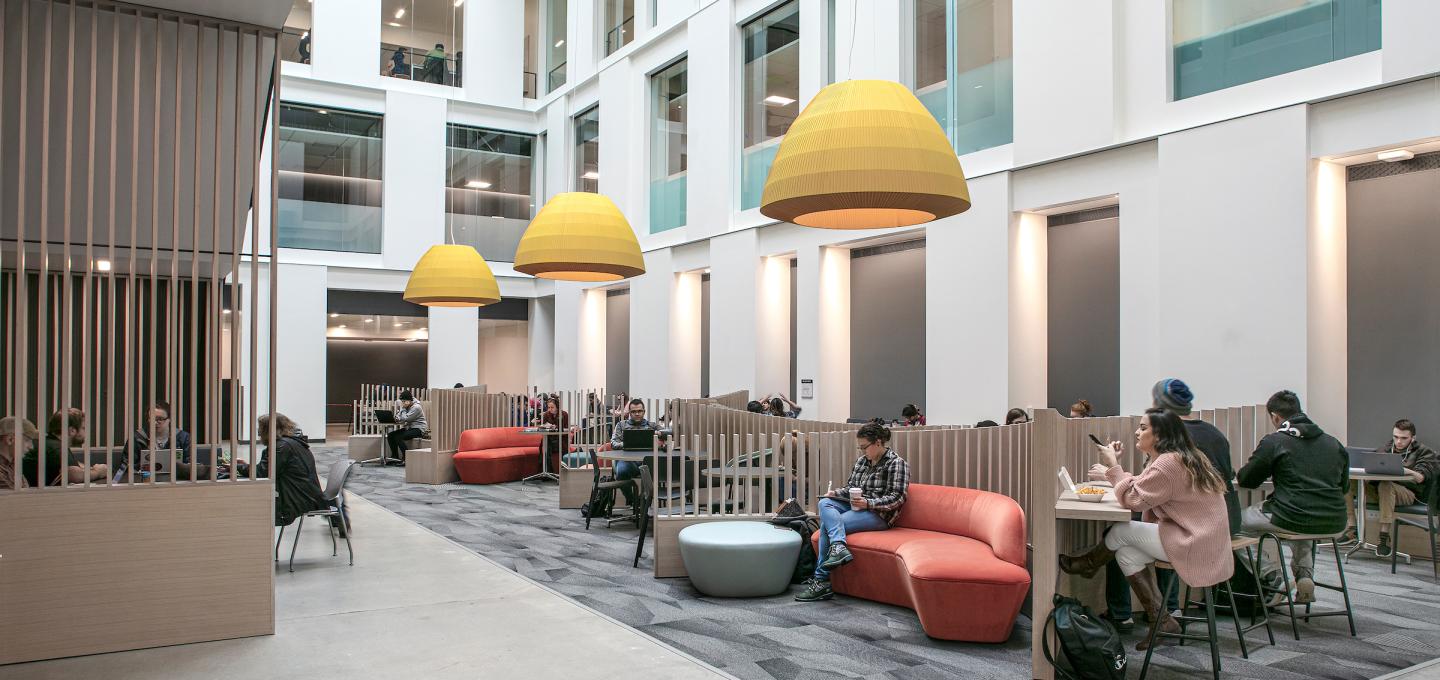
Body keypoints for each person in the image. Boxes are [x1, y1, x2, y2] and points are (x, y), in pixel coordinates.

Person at [1060, 409, 1232, 650]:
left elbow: (1133, 499)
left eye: (1143, 428)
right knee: (1125, 553)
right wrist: (1116, 468)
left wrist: (1112, 465)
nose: (1137, 432)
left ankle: (1088, 564)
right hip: (1204, 540)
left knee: (1120, 532)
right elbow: (1142, 486)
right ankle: (1161, 621)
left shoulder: (1168, 464)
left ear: (1160, 435)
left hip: (1195, 542)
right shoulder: (1176, 458)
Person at [1236, 390, 1349, 605]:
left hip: (1292, 515)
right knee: (1302, 523)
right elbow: (1343, 487)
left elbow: (1247, 479)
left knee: (1234, 525)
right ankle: (1304, 577)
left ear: (1275, 417)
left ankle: (1272, 576)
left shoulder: (1276, 441)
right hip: (1335, 520)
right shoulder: (1333, 443)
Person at [796, 422, 909, 602]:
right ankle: (838, 547)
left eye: (865, 447)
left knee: (827, 526)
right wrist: (836, 493)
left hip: (879, 514)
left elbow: (897, 498)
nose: (862, 451)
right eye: (860, 447)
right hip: (855, 506)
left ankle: (821, 580)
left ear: (878, 442)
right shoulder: (862, 462)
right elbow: (851, 488)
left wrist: (868, 503)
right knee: (825, 502)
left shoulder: (897, 463)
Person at [1342, 419, 1439, 556]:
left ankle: (1383, 537)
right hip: (1380, 491)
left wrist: (1404, 470)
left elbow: (1420, 478)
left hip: (1408, 493)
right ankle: (1352, 528)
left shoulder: (1424, 452)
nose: (1399, 441)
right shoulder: (1386, 448)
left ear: (1413, 438)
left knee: (1386, 485)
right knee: (1348, 481)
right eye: (1396, 437)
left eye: (1404, 438)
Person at [255, 413, 327, 527]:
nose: (258, 432)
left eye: (261, 428)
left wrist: (236, 468)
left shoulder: (282, 447)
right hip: (305, 495)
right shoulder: (293, 442)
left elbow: (263, 473)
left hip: (295, 499)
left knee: (249, 508)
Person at [609, 398, 659, 507]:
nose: (637, 414)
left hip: (647, 462)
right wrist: (628, 444)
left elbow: (668, 435)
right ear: (629, 413)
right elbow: (613, 443)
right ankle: (632, 499)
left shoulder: (652, 426)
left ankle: (644, 500)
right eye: (633, 412)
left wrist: (659, 435)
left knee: (659, 470)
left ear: (644, 412)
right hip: (627, 461)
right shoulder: (621, 425)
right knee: (621, 472)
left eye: (639, 411)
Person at [387, 391, 427, 463]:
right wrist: (397, 417)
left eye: (404, 401)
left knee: (398, 437)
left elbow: (406, 418)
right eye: (402, 401)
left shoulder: (416, 407)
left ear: (408, 400)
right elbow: (399, 416)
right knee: (390, 435)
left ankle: (406, 458)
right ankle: (395, 456)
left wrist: (403, 409)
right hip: (410, 428)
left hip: (418, 429)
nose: (402, 403)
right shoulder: (407, 406)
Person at [1, 417, 38, 489]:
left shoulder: (12, 464)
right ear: (10, 439)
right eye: (27, 440)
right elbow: (18, 498)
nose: (31, 447)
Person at [541, 396, 573, 469]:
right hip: (549, 438)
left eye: (552, 407)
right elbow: (543, 426)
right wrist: (546, 427)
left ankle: (564, 469)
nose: (550, 409)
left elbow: (567, 429)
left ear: (557, 407)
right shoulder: (546, 414)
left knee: (561, 443)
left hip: (561, 438)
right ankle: (547, 471)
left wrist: (557, 428)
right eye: (548, 407)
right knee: (545, 444)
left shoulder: (564, 414)